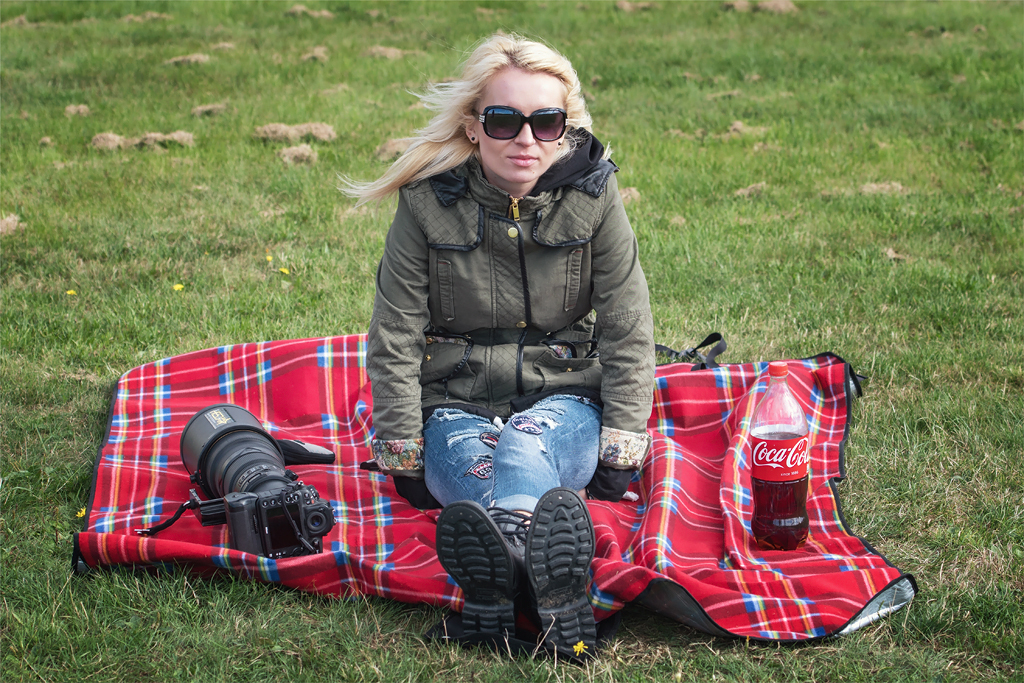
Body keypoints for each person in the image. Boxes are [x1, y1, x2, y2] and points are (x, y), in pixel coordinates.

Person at [345, 34, 654, 658]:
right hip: (452, 402)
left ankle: (499, 589)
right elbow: (395, 334)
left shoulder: (594, 198)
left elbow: (628, 324)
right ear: (473, 126)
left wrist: (623, 438)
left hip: (564, 396)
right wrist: (402, 447)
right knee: (477, 460)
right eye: (505, 120)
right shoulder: (426, 204)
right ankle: (549, 589)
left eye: (546, 122)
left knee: (523, 446)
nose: (526, 139)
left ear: (565, 130)